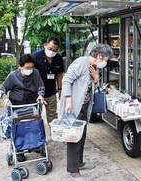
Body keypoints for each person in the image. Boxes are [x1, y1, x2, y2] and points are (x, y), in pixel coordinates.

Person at [60, 44, 113, 181]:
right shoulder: (80, 63)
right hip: (73, 108)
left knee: (82, 136)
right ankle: (73, 171)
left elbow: (90, 87)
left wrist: (95, 78)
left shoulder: (92, 67)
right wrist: (68, 101)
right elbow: (66, 81)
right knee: (73, 138)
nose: (105, 62)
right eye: (106, 59)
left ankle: (79, 163)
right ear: (99, 56)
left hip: (84, 107)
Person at [0, 53, 46, 162]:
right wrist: (5, 98)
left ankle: (35, 145)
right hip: (17, 105)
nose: (30, 70)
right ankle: (19, 150)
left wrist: (40, 95)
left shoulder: (36, 73)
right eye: (27, 68)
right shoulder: (13, 76)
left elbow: (41, 86)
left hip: (32, 104)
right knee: (20, 128)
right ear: (20, 66)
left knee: (34, 126)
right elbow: (2, 89)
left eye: (31, 67)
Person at [33, 37, 64, 124]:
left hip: (51, 92)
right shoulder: (35, 57)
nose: (52, 52)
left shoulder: (58, 58)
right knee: (36, 115)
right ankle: (38, 136)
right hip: (37, 93)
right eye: (50, 49)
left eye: (55, 50)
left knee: (53, 116)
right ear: (45, 45)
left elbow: (59, 74)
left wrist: (60, 89)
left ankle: (55, 135)